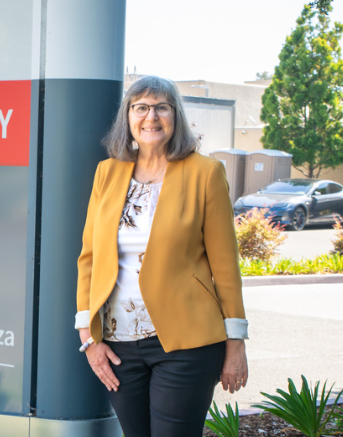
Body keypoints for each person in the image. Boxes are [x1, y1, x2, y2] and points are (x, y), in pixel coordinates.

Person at [75, 76, 248, 437]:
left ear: (175, 116)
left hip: (186, 343)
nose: (150, 117)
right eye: (140, 107)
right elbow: (89, 258)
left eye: (161, 107)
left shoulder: (205, 173)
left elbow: (225, 268)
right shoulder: (107, 173)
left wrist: (235, 344)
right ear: (128, 117)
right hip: (117, 343)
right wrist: (89, 338)